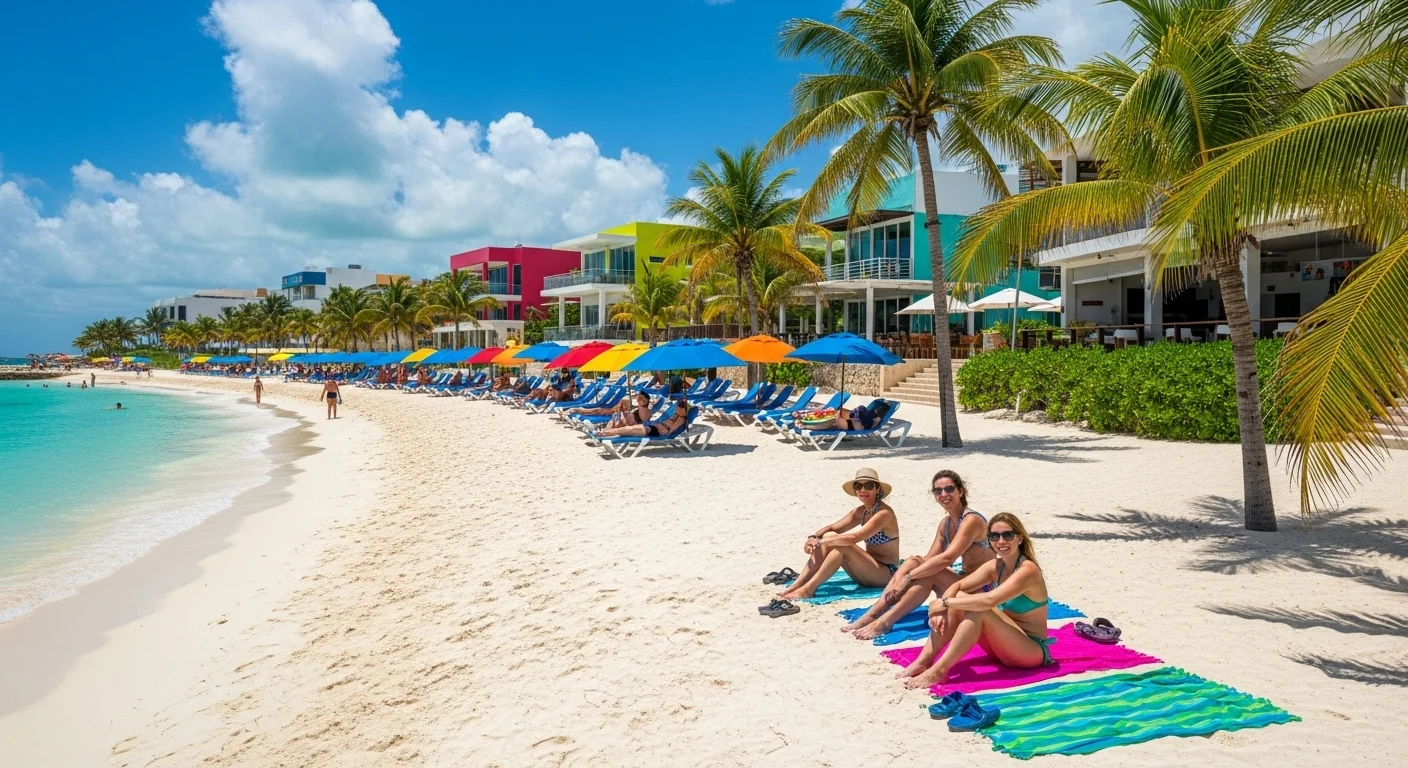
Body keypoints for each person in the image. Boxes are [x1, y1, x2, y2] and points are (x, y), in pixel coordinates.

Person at [896, 513, 1053, 689]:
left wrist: (945, 603)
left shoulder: (1028, 570)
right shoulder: (996, 567)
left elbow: (989, 600)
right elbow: (958, 585)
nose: (1001, 541)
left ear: (1019, 539)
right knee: (961, 599)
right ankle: (924, 661)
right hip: (1002, 647)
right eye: (994, 536)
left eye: (1007, 535)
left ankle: (939, 670)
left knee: (978, 608)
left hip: (1031, 652)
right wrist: (940, 609)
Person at [844, 470, 993, 640]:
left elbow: (947, 558)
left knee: (928, 575)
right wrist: (910, 569)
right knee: (913, 561)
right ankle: (874, 613)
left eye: (949, 489)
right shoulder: (946, 523)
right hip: (963, 582)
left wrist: (908, 578)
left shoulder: (971, 520)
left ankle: (884, 622)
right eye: (938, 491)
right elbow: (929, 559)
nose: (944, 494)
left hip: (982, 588)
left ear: (961, 491)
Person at [776, 468, 901, 601]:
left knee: (839, 544)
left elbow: (855, 538)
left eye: (869, 485)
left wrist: (821, 542)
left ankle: (808, 589)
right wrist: (812, 539)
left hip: (887, 574)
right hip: (867, 571)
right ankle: (798, 585)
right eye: (858, 486)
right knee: (831, 536)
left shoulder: (884, 514)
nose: (863, 490)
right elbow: (832, 527)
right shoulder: (862, 512)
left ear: (877, 489)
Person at [594, 397, 689, 439]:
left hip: (657, 431)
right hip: (654, 428)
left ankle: (605, 432)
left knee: (634, 429)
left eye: (680, 406)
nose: (677, 407)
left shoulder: (681, 418)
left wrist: (665, 434)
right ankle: (606, 432)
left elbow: (670, 432)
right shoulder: (676, 415)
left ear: (684, 410)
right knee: (632, 428)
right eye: (678, 405)